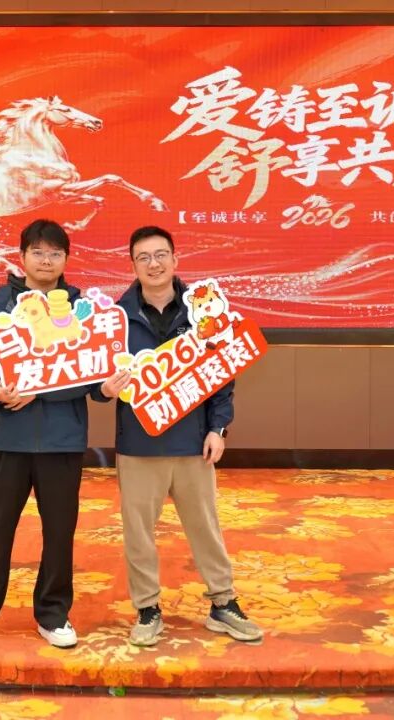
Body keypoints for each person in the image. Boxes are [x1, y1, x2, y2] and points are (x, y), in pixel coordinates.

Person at [0, 218, 122, 649]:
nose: (46, 260)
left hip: (63, 440)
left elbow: (95, 375)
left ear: (66, 259)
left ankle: (53, 613)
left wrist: (103, 388)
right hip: (9, 438)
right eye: (37, 252)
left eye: (55, 253)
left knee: (59, 531)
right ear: (22, 257)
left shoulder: (83, 310)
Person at [110, 225, 263, 647]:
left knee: (205, 527)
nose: (154, 264)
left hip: (194, 443)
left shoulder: (203, 311)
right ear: (133, 265)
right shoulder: (115, 318)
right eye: (144, 257)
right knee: (138, 532)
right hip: (139, 445)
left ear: (175, 259)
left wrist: (218, 427)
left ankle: (223, 602)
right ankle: (147, 608)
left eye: (161, 255)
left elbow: (222, 373)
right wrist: (104, 388)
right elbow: (99, 383)